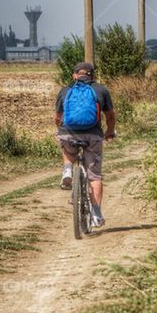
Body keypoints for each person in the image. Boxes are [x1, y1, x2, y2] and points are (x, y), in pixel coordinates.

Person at [55, 61, 116, 227]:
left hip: (68, 134)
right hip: (93, 136)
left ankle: (67, 169)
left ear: (74, 75)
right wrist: (110, 131)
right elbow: (110, 116)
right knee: (94, 176)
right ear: (92, 76)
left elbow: (58, 117)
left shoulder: (65, 90)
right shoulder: (101, 90)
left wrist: (61, 130)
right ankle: (96, 214)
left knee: (67, 146)